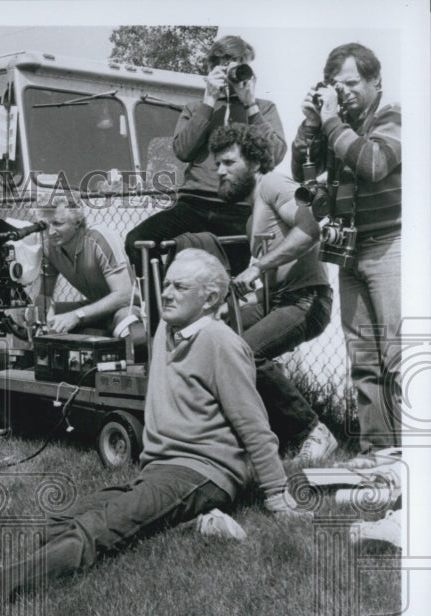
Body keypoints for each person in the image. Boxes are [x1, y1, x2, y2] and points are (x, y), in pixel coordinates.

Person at [0, 249, 302, 615]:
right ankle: (191, 522)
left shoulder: (221, 343)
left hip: (200, 471)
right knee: (65, 519)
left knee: (94, 530)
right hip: (159, 469)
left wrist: (277, 496)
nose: (166, 293)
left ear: (211, 297)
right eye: (166, 284)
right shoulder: (168, 328)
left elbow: (253, 424)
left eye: (180, 287)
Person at [291, 43, 401, 466]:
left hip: (392, 247)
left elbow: (373, 163)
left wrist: (332, 119)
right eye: (338, 86)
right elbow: (304, 178)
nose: (345, 92)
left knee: (399, 355)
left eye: (352, 83)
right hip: (351, 254)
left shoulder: (393, 115)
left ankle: (415, 452)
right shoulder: (339, 128)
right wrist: (309, 127)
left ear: (376, 81)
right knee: (365, 358)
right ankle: (379, 451)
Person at [208, 123, 338, 463]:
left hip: (307, 300)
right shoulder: (254, 216)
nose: (220, 171)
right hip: (279, 301)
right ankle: (253, 435)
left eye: (229, 162)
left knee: (247, 353)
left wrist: (258, 266)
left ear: (254, 162)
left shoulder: (273, 183)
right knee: (217, 337)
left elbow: (312, 228)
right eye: (217, 164)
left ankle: (313, 431)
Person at [125, 35, 287, 273]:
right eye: (224, 63)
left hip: (239, 208)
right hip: (194, 205)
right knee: (138, 241)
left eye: (238, 63)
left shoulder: (263, 108)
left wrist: (250, 104)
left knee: (226, 275)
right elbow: (182, 151)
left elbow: (275, 155)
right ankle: (161, 307)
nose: (232, 70)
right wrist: (209, 99)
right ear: (213, 68)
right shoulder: (196, 108)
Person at [34, 196, 145, 351]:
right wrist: (46, 321)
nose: (51, 231)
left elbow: (125, 295)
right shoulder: (49, 247)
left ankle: (133, 368)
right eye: (46, 225)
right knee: (29, 314)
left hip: (128, 306)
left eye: (58, 224)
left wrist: (76, 316)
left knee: (126, 325)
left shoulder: (98, 238)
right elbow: (45, 296)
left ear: (77, 222)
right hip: (94, 306)